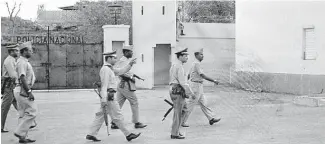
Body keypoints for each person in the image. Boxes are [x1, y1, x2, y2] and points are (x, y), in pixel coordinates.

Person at [86, 51, 141, 142]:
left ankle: (91, 134)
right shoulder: (106, 70)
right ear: (109, 58)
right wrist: (104, 99)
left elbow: (120, 71)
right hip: (109, 96)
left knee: (100, 115)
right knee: (117, 116)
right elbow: (104, 85)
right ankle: (128, 134)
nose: (116, 60)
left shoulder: (109, 68)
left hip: (107, 96)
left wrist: (130, 64)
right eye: (114, 58)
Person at [181, 48, 221, 127]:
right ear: (196, 55)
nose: (203, 56)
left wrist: (189, 83)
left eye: (202, 54)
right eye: (201, 54)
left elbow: (189, 75)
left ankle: (211, 118)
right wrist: (214, 80)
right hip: (196, 86)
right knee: (190, 104)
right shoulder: (197, 64)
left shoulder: (194, 63)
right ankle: (182, 121)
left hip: (197, 85)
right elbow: (202, 75)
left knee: (204, 103)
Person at [111, 45, 147, 129]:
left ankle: (114, 122)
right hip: (125, 84)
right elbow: (121, 72)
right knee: (134, 102)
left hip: (122, 85)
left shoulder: (126, 60)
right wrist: (131, 77)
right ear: (126, 52)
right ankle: (136, 122)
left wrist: (136, 76)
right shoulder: (122, 61)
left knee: (118, 104)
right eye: (131, 52)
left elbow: (128, 71)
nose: (132, 53)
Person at [13, 41, 37, 143]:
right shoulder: (22, 62)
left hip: (20, 90)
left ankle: (22, 137)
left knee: (23, 114)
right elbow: (22, 78)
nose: (31, 53)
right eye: (30, 51)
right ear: (25, 51)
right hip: (23, 90)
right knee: (32, 112)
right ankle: (19, 132)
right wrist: (29, 92)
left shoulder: (23, 61)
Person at [169, 47, 194, 139]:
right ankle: (174, 133)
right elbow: (183, 82)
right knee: (178, 112)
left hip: (174, 89)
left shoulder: (174, 65)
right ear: (180, 56)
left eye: (187, 56)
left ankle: (175, 129)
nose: (187, 57)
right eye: (185, 56)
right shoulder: (179, 66)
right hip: (177, 91)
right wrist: (191, 93)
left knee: (184, 110)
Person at [1, 44, 19, 133]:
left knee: (18, 104)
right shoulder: (9, 61)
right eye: (16, 50)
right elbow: (13, 75)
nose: (18, 52)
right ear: (11, 51)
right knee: (5, 107)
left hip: (11, 86)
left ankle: (28, 121)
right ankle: (1, 126)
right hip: (8, 86)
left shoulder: (12, 60)